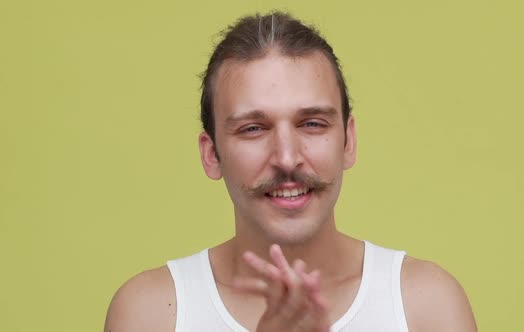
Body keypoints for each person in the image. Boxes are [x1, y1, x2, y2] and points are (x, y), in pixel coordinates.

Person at [105, 11, 477, 332]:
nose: (286, 157)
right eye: (253, 128)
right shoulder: (150, 313)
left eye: (312, 123)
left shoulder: (426, 307)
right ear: (212, 154)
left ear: (348, 141)